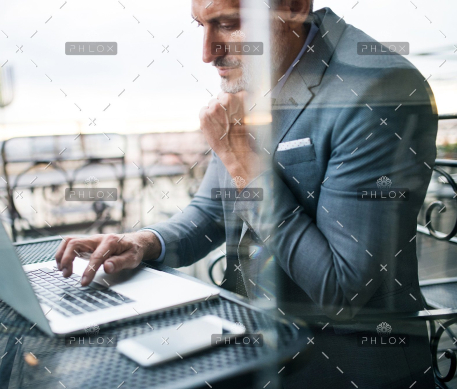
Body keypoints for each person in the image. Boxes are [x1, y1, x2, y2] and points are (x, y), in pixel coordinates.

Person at [56, 0, 438, 387]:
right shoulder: (263, 67)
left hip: (346, 366)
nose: (207, 53)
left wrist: (242, 164)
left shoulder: (378, 90)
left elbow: (341, 290)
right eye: (200, 26)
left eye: (227, 23)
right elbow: (210, 212)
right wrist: (142, 242)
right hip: (250, 341)